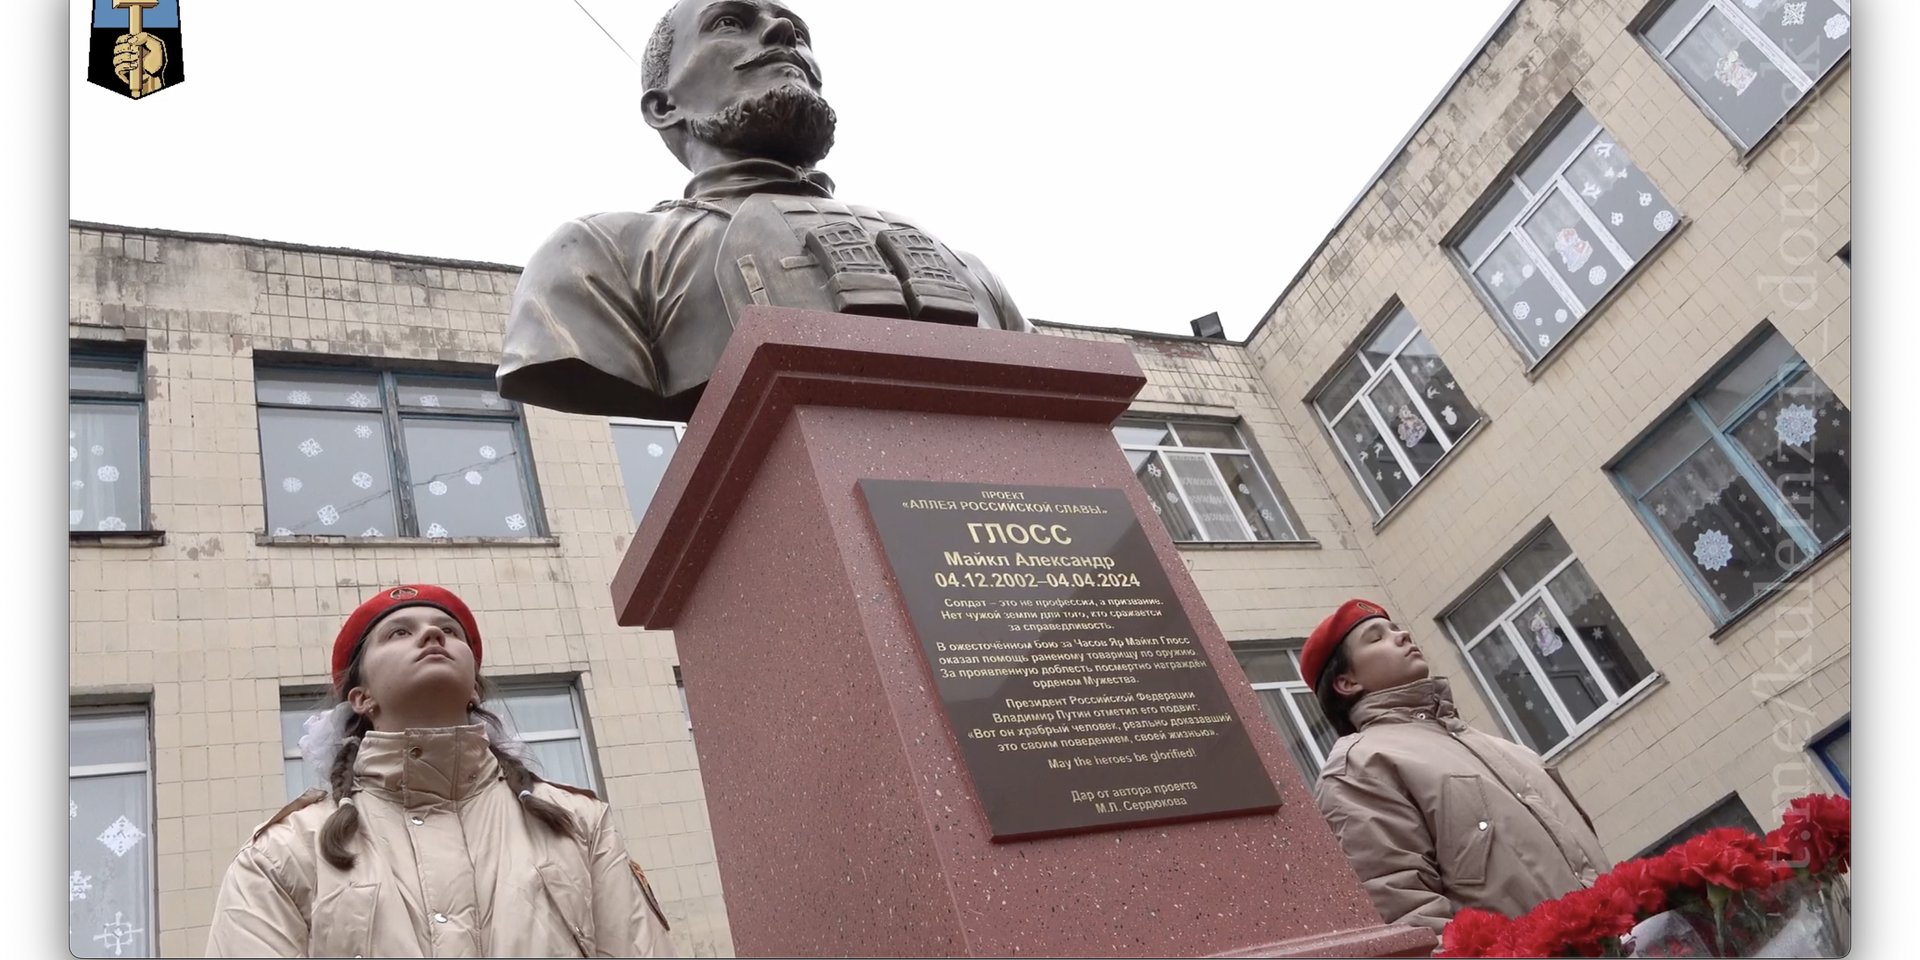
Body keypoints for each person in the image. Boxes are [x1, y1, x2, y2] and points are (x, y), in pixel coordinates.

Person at [498, 0, 1029, 423]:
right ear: (664, 106)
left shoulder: (963, 266)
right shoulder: (599, 257)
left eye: (797, 33)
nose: (782, 36)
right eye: (730, 22)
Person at [205, 585, 672, 957]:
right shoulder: (282, 855)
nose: (432, 636)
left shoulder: (580, 823)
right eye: (399, 633)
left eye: (448, 630)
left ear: (474, 688)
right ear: (361, 698)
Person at [1303, 598, 1611, 935]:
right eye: (1377, 638)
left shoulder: (1502, 748)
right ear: (1347, 682)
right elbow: (1408, 915)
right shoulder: (1360, 768)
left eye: (1395, 628)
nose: (1402, 635)